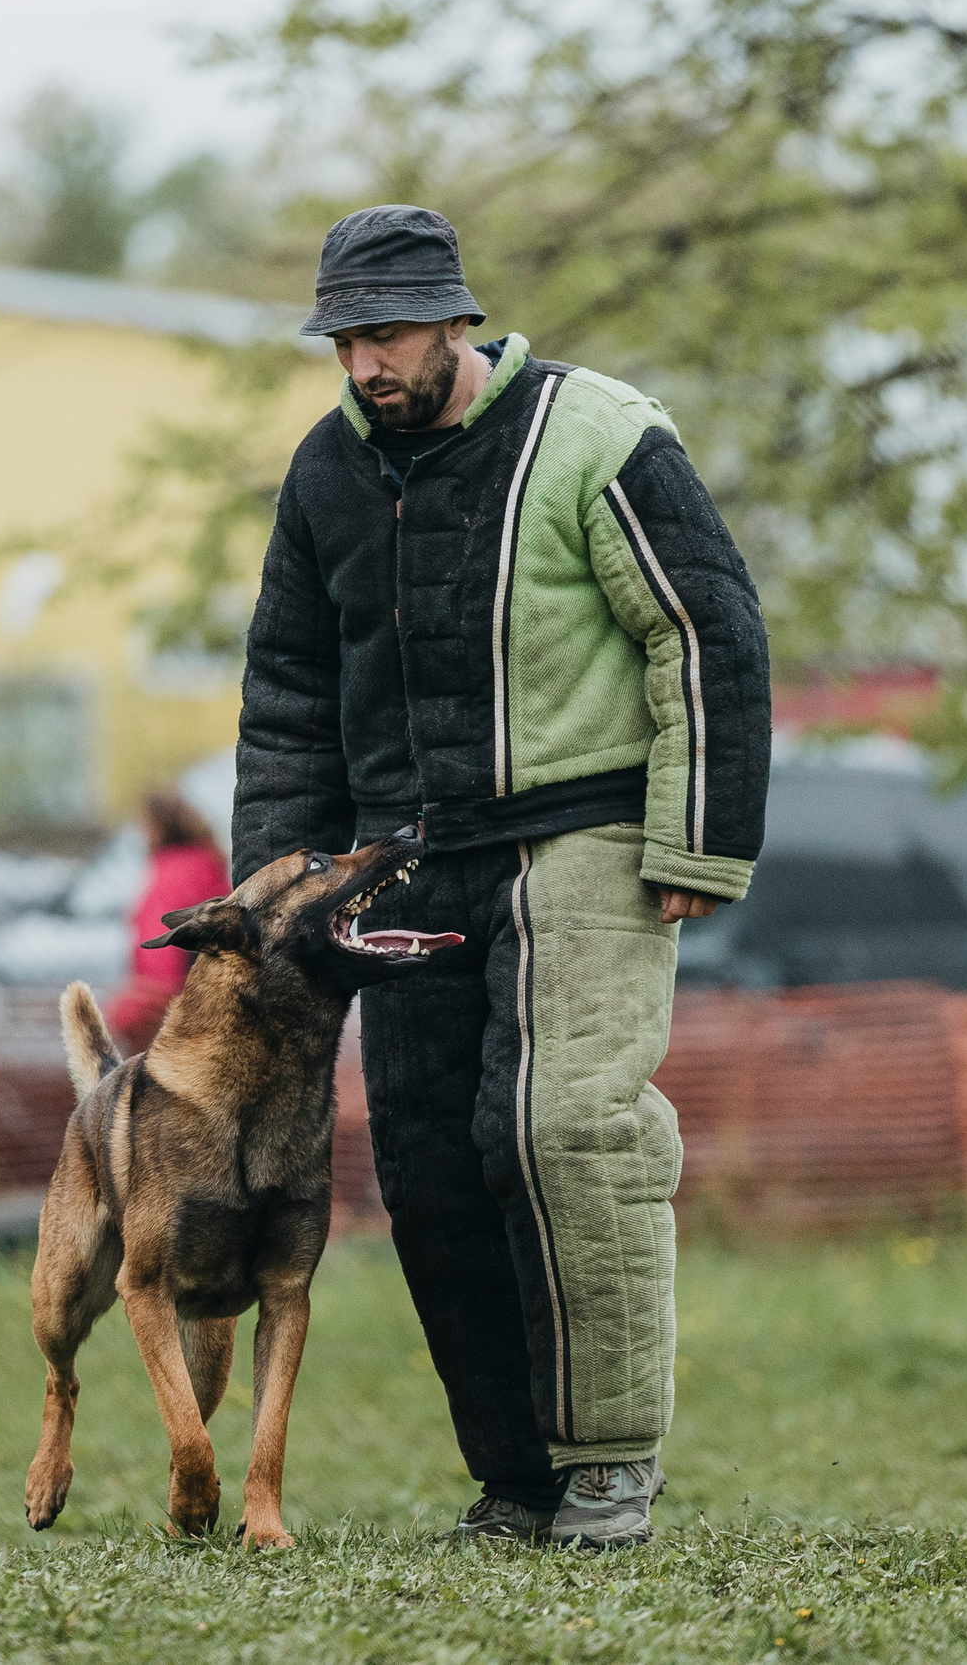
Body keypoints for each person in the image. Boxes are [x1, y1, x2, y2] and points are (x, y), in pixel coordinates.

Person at [231, 206, 772, 1550]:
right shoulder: (325, 475)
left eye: (391, 332)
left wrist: (696, 832)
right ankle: (517, 1473)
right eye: (347, 337)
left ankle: (608, 1462)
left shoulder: (592, 431)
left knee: (560, 1123)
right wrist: (280, 894)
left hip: (581, 831)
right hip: (406, 855)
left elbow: (704, 627)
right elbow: (291, 692)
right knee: (427, 1158)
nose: (367, 362)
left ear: (456, 319)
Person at [106, 791, 234, 1051]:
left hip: (177, 1016)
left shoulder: (170, 875)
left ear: (156, 826)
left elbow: (159, 959)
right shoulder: (210, 866)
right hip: (218, 1006)